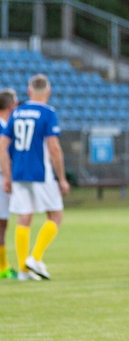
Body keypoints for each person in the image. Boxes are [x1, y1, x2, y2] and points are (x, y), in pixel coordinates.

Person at [0, 74, 70, 281]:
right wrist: (62, 178)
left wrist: (7, 174)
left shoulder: (17, 112)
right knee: (56, 215)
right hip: (40, 172)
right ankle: (35, 257)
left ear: (29, 91)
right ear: (48, 92)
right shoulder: (48, 113)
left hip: (19, 172)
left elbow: (3, 146)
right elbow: (54, 148)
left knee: (24, 217)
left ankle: (23, 270)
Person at [0, 88, 18, 279]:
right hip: (0, 177)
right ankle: (2, 267)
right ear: (11, 106)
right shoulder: (3, 127)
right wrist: (7, 176)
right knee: (1, 223)